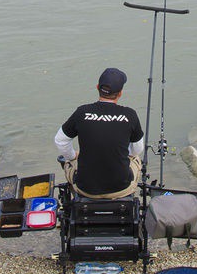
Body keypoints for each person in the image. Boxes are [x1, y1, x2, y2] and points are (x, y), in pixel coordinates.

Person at [55, 68, 144, 199]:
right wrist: (125, 155)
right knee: (136, 158)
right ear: (120, 93)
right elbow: (137, 148)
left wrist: (73, 156)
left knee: (68, 160)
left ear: (97, 87)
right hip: (121, 188)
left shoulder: (81, 112)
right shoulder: (130, 114)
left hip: (86, 189)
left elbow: (60, 140)